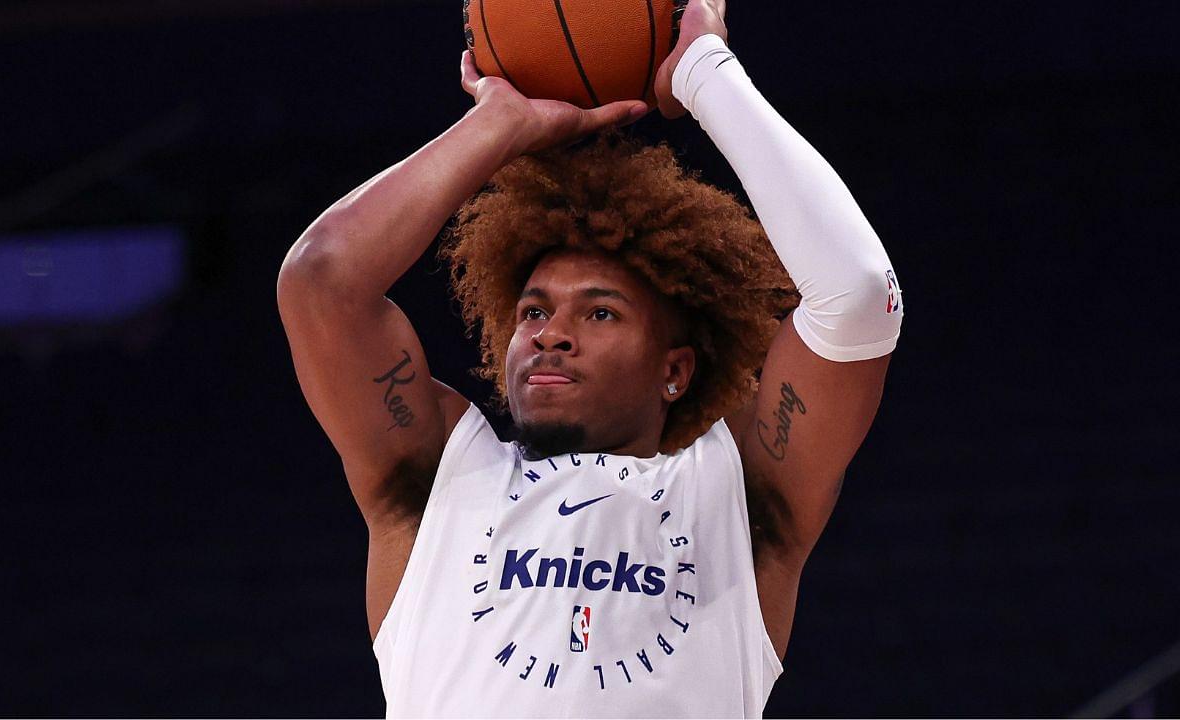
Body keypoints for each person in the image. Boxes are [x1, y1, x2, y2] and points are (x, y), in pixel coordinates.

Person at [276, 0, 904, 716]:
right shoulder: (436, 481)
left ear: (675, 369)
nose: (550, 332)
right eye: (534, 311)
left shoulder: (739, 501)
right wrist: (496, 125)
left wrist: (706, 72)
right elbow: (321, 279)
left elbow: (858, 296)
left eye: (599, 312)